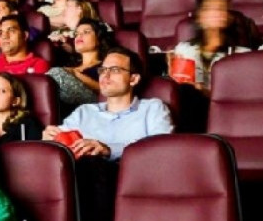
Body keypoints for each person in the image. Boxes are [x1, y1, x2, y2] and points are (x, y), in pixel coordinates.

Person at [44, 46, 174, 160]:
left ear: (133, 79)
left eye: (114, 70)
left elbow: (161, 149)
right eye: (103, 70)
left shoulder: (153, 108)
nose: (105, 76)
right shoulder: (84, 112)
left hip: (136, 175)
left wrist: (109, 150)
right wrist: (49, 141)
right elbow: (59, 147)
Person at [170, 0, 253, 92]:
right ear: (200, 18)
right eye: (209, 9)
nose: (216, 13)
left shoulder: (242, 55)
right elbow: (180, 88)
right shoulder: (185, 50)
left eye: (221, 8)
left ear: (228, 18)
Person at [0, 13, 51, 96]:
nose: (4, 36)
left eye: (11, 31)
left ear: (25, 35)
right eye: (1, 32)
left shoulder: (37, 65)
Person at [47, 17, 113, 113]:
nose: (79, 36)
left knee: (56, 73)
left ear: (98, 39)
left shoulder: (105, 65)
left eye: (86, 32)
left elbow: (107, 89)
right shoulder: (71, 65)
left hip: (93, 104)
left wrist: (76, 74)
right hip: (66, 108)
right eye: (76, 34)